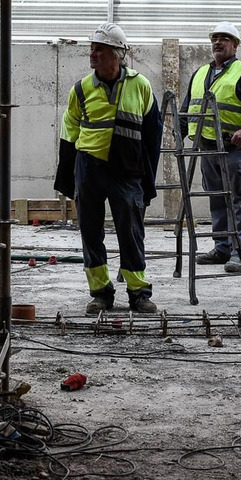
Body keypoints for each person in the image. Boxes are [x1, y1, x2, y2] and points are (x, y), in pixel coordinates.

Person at [52, 23, 163, 314]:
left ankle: (138, 292)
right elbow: (69, 131)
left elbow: (153, 133)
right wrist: (67, 176)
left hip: (126, 170)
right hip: (89, 168)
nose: (93, 54)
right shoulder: (81, 89)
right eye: (92, 48)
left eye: (99, 49)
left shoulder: (141, 86)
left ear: (118, 54)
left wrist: (147, 178)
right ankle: (101, 293)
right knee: (91, 232)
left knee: (131, 232)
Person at [188, 23, 241, 273]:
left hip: (232, 149)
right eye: (215, 38)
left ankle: (239, 251)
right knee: (216, 198)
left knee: (236, 198)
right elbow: (188, 106)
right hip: (207, 147)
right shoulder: (200, 73)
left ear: (235, 45)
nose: (218, 42)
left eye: (224, 39)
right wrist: (180, 134)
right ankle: (222, 247)